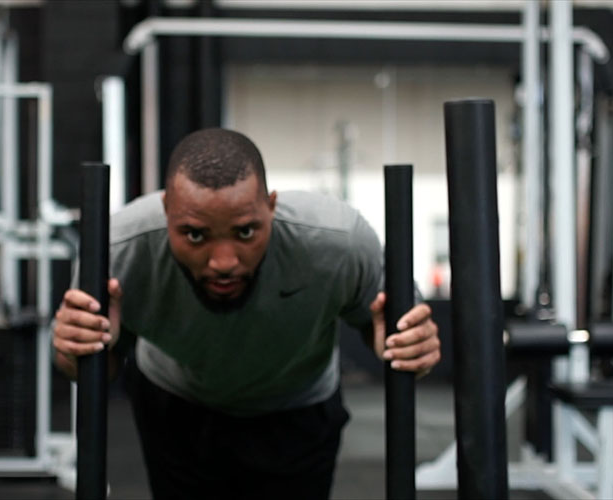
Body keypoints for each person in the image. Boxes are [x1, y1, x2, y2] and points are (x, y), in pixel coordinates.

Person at [53, 128, 440, 498]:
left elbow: (391, 336)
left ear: (271, 207)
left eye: (245, 232)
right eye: (195, 235)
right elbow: (87, 370)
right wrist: (81, 350)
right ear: (166, 209)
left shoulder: (338, 243)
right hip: (177, 406)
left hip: (296, 408)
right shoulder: (117, 249)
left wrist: (407, 345)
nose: (224, 262)